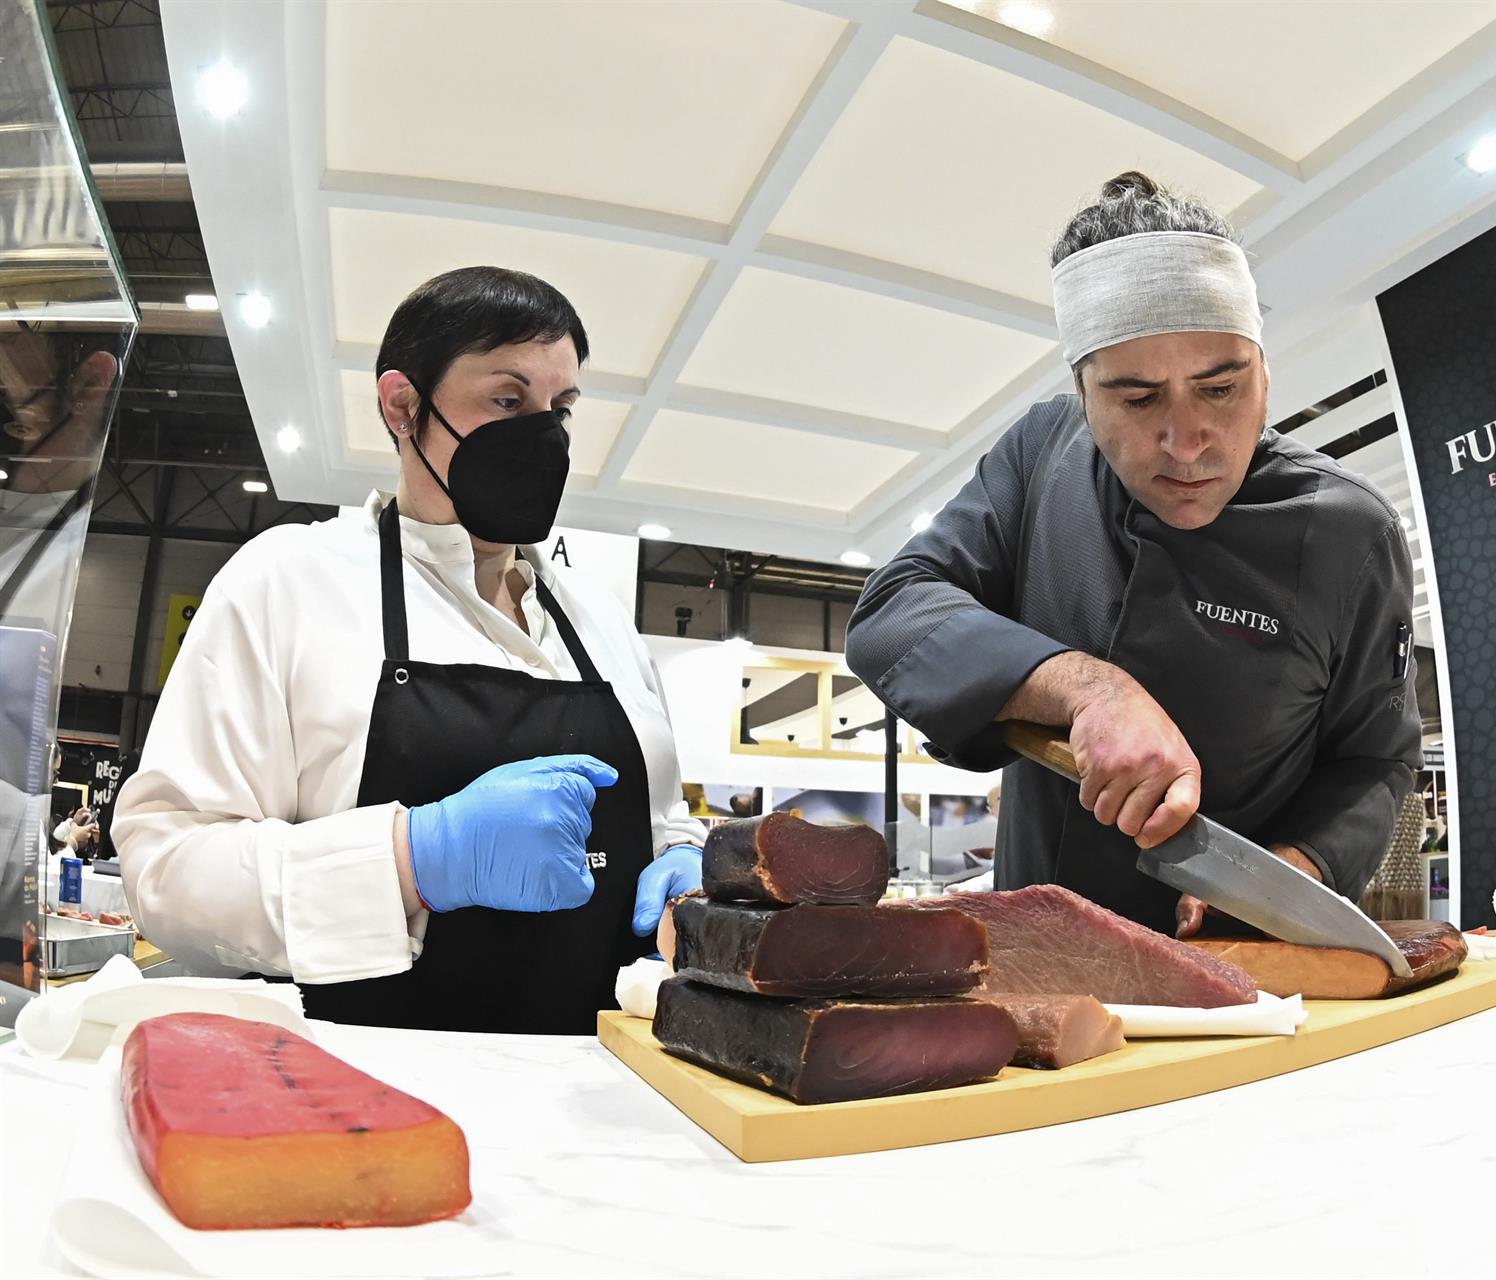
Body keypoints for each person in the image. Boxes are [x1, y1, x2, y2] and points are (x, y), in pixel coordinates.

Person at [114, 267, 704, 1033]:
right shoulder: (291, 582)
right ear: (402, 406)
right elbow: (166, 872)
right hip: (358, 1095)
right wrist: (416, 858)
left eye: (559, 410)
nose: (543, 436)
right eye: (506, 400)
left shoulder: (604, 627)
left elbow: (664, 825)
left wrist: (691, 881)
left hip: (593, 1105)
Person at [846, 173, 1421, 937]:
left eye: (1220, 389)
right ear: (1082, 396)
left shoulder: (1350, 533)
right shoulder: (1043, 456)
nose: (1185, 443)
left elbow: (1375, 762)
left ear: (1264, 372)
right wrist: (1087, 689)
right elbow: (893, 611)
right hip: (1033, 959)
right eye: (1138, 399)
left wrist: (1290, 871)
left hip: (1242, 964)